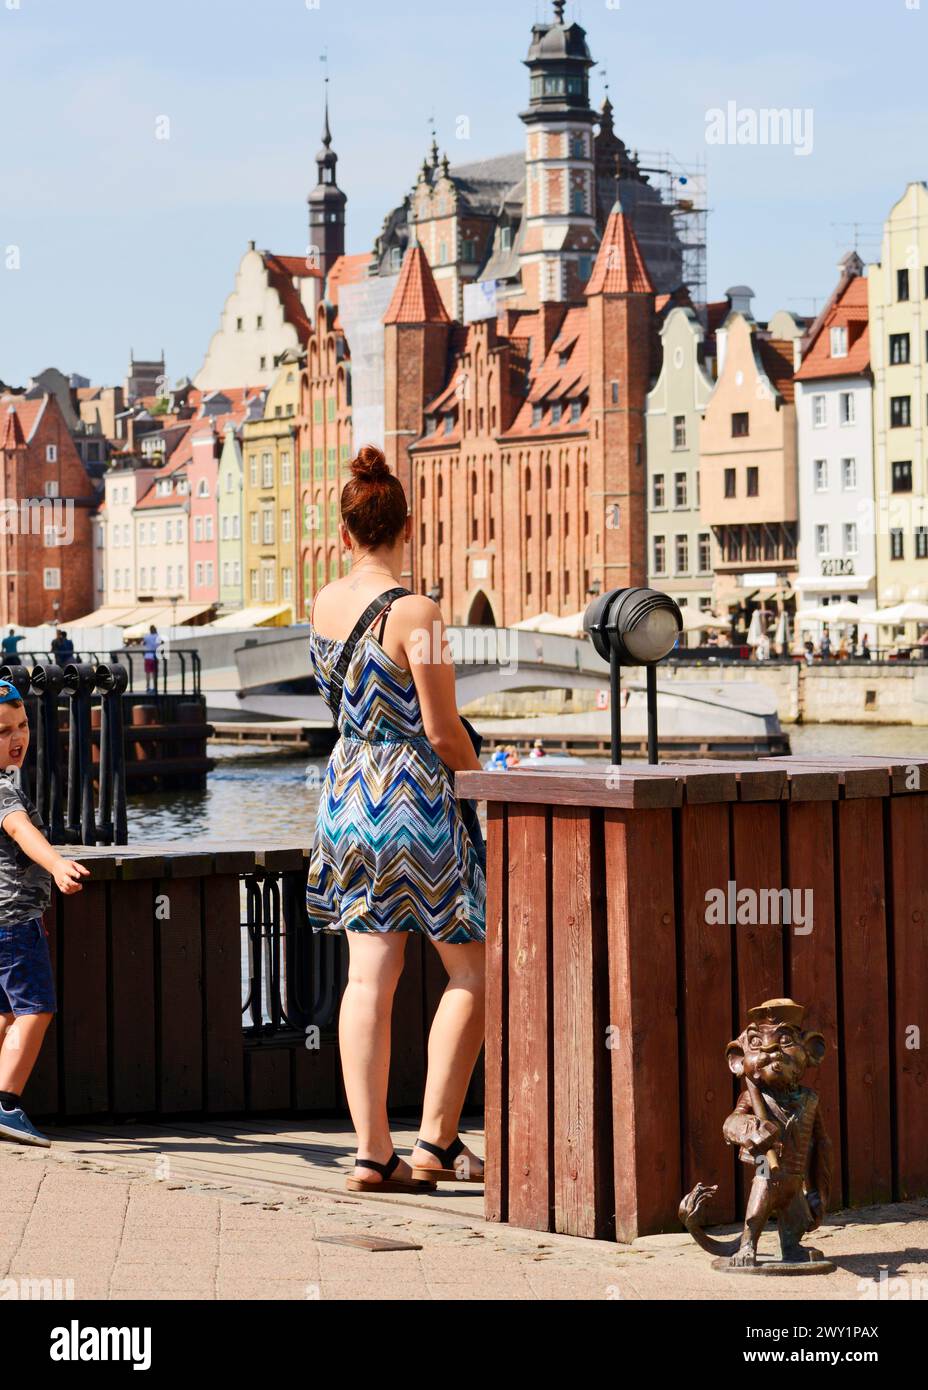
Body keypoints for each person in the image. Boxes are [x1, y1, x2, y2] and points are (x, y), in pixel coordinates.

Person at [306, 446, 485, 1193]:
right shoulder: (423, 613)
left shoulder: (320, 603)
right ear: (406, 527)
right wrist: (485, 780)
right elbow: (443, 731)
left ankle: (371, 1154)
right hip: (414, 795)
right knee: (473, 968)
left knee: (368, 978)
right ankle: (436, 1143)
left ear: (344, 535)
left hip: (347, 793)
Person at [0, 679, 89, 1146]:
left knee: (5, 1014)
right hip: (12, 921)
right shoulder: (3, 794)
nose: (17, 738)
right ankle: (6, 1104)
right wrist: (56, 864)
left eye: (23, 725)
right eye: (2, 731)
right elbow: (20, 833)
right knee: (36, 1009)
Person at [142, 625, 161, 694]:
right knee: (154, 673)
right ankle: (155, 687)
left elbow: (144, 643)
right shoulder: (157, 636)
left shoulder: (146, 636)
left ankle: (147, 687)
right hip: (154, 656)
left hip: (147, 656)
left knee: (147, 673)